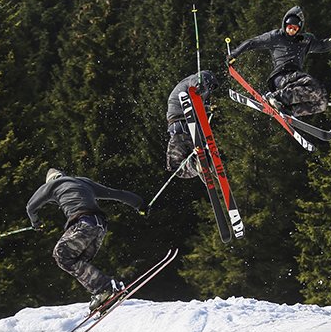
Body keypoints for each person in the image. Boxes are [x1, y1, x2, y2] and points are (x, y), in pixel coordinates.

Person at [26, 168, 146, 312]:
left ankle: (105, 287)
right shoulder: (82, 181)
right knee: (78, 262)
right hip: (99, 226)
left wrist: (36, 223)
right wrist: (139, 204)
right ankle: (102, 294)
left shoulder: (51, 185)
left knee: (61, 255)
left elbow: (31, 207)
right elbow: (116, 193)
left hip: (83, 224)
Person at [227, 6, 331, 116]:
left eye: (295, 29)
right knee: (309, 81)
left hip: (296, 78)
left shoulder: (305, 40)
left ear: (299, 29)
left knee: (322, 101)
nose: (291, 31)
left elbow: (322, 46)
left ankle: (289, 110)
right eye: (289, 27)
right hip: (280, 77)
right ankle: (275, 97)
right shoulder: (275, 36)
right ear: (285, 25)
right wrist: (234, 54)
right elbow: (252, 42)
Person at [166, 71, 219, 178]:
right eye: (209, 87)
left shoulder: (193, 93)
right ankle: (201, 161)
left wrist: (209, 109)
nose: (209, 91)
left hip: (181, 126)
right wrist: (198, 86)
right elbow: (195, 82)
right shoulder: (194, 79)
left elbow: (196, 107)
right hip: (180, 121)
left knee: (175, 165)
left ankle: (198, 163)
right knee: (175, 164)